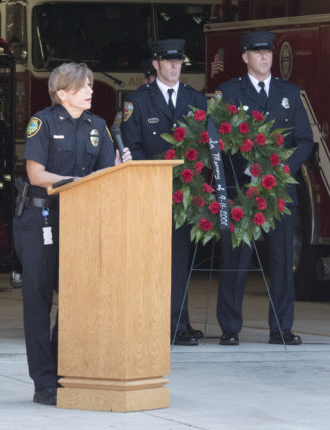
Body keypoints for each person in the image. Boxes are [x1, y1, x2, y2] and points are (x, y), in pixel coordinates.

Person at [14, 62, 131, 406]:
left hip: (80, 220)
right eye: (83, 86)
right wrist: (75, 183)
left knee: (77, 298)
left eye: (91, 84)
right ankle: (43, 382)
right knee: (38, 301)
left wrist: (121, 167)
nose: (91, 90)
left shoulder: (99, 126)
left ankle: (61, 370)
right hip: (42, 220)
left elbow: (106, 173)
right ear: (62, 92)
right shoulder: (43, 122)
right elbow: (36, 174)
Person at [216, 31, 313, 346]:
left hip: (277, 191)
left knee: (283, 261)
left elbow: (304, 141)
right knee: (236, 261)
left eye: (268, 53)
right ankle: (230, 328)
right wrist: (246, 169)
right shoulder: (229, 92)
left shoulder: (289, 92)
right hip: (242, 189)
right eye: (257, 53)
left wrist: (281, 170)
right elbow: (216, 140)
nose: (264, 57)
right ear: (245, 57)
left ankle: (281, 327)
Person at [121, 39, 208, 346]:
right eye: (168, 62)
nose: (175, 67)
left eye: (179, 62)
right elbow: (132, 145)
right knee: (154, 260)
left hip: (184, 193)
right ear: (156, 64)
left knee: (180, 259)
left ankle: (179, 322)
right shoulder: (138, 100)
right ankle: (159, 321)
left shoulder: (195, 99)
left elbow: (205, 146)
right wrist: (158, 174)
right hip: (152, 191)